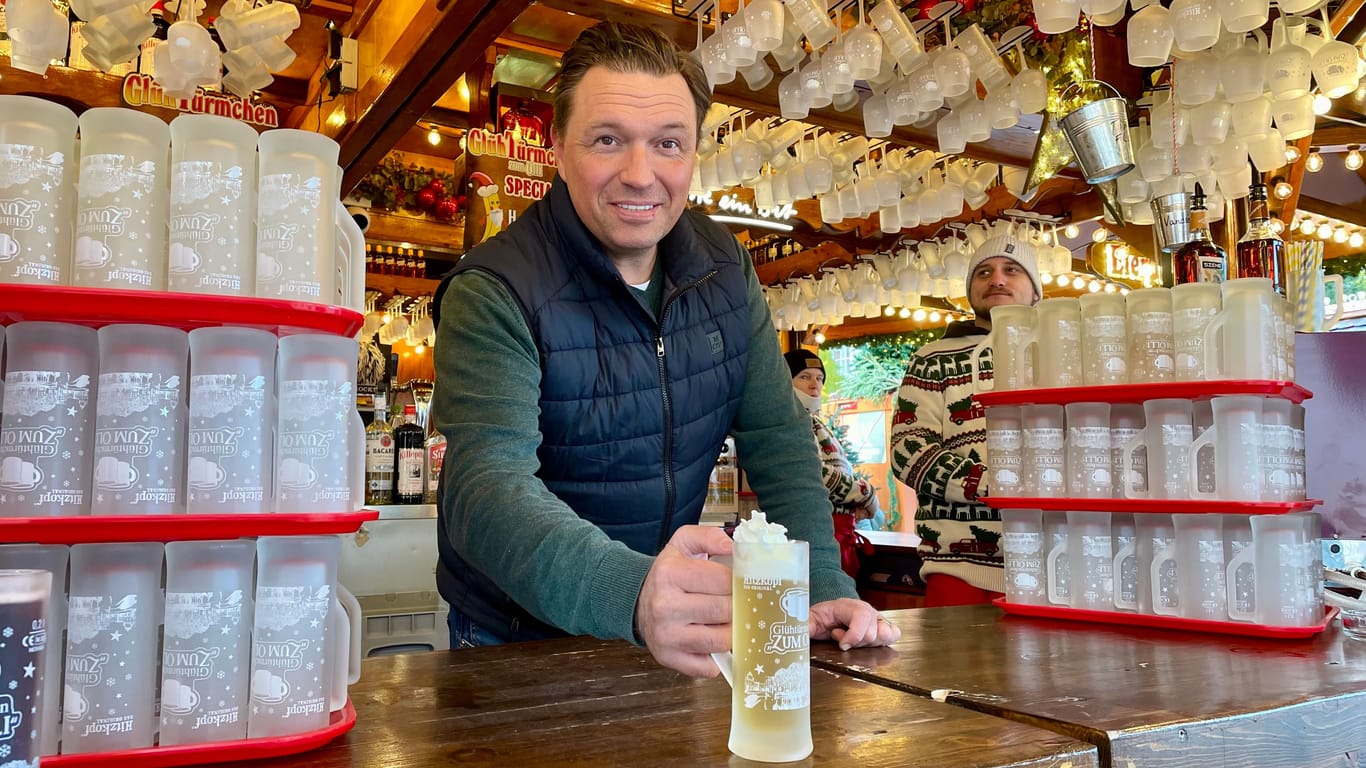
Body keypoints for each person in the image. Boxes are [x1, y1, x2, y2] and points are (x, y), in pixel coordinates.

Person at [430, 20, 898, 678]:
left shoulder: (723, 266)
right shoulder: (494, 289)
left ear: (694, 153)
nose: (641, 174)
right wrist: (634, 593)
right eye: (607, 140)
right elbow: (485, 490)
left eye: (668, 143)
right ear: (558, 147)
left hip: (661, 622)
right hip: (518, 636)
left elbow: (779, 439)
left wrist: (822, 581)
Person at [888, 234, 1043, 607]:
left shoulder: (1060, 350)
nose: (998, 280)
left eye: (1012, 270)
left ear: (1036, 290)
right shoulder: (932, 359)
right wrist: (1001, 485)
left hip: (1053, 562)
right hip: (957, 568)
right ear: (971, 289)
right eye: (984, 272)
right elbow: (908, 450)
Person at [784, 348, 881, 577]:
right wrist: (866, 494)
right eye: (804, 377)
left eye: (819, 378)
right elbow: (814, 475)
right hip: (811, 535)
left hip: (836, 534)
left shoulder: (814, 422)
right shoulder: (787, 422)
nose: (814, 384)